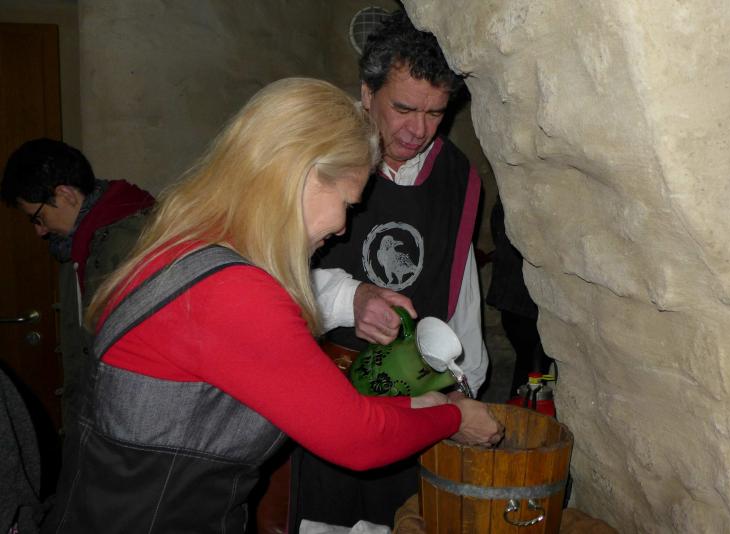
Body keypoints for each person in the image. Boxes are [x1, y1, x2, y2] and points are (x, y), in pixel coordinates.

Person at [39, 78, 503, 534]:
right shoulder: (235, 290)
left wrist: (415, 405)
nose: (343, 227)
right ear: (303, 175)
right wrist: (454, 417)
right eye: (346, 203)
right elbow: (356, 439)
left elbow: (309, 400)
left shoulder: (187, 248)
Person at [294, 10, 488, 529]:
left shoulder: (457, 176)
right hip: (323, 391)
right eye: (403, 108)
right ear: (367, 93)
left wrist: (464, 383)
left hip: (413, 398)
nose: (417, 130)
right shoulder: (318, 159)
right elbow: (271, 274)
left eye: (435, 113)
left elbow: (459, 280)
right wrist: (351, 297)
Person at [1, 139, 155, 438]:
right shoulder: (78, 243)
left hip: (128, 429)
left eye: (38, 217)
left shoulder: (131, 243)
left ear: (65, 195)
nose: (39, 231)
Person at [486, 197, 554, 398]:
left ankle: (521, 407)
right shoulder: (530, 203)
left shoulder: (508, 200)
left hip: (514, 300)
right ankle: (526, 410)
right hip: (526, 302)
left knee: (529, 367)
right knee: (534, 368)